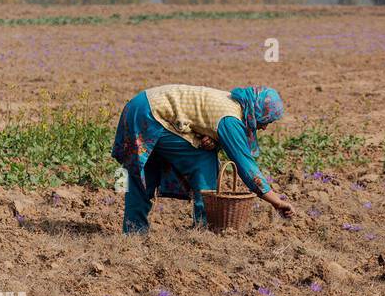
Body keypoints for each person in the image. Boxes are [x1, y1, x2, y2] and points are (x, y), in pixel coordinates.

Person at [111, 84, 294, 233]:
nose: (264, 128)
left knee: (147, 168)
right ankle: (205, 226)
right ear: (258, 111)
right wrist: (276, 201)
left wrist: (210, 139)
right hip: (151, 114)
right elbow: (246, 167)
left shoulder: (232, 102)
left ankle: (134, 231)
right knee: (203, 159)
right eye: (266, 121)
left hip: (139, 106)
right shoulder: (230, 119)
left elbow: (199, 121)